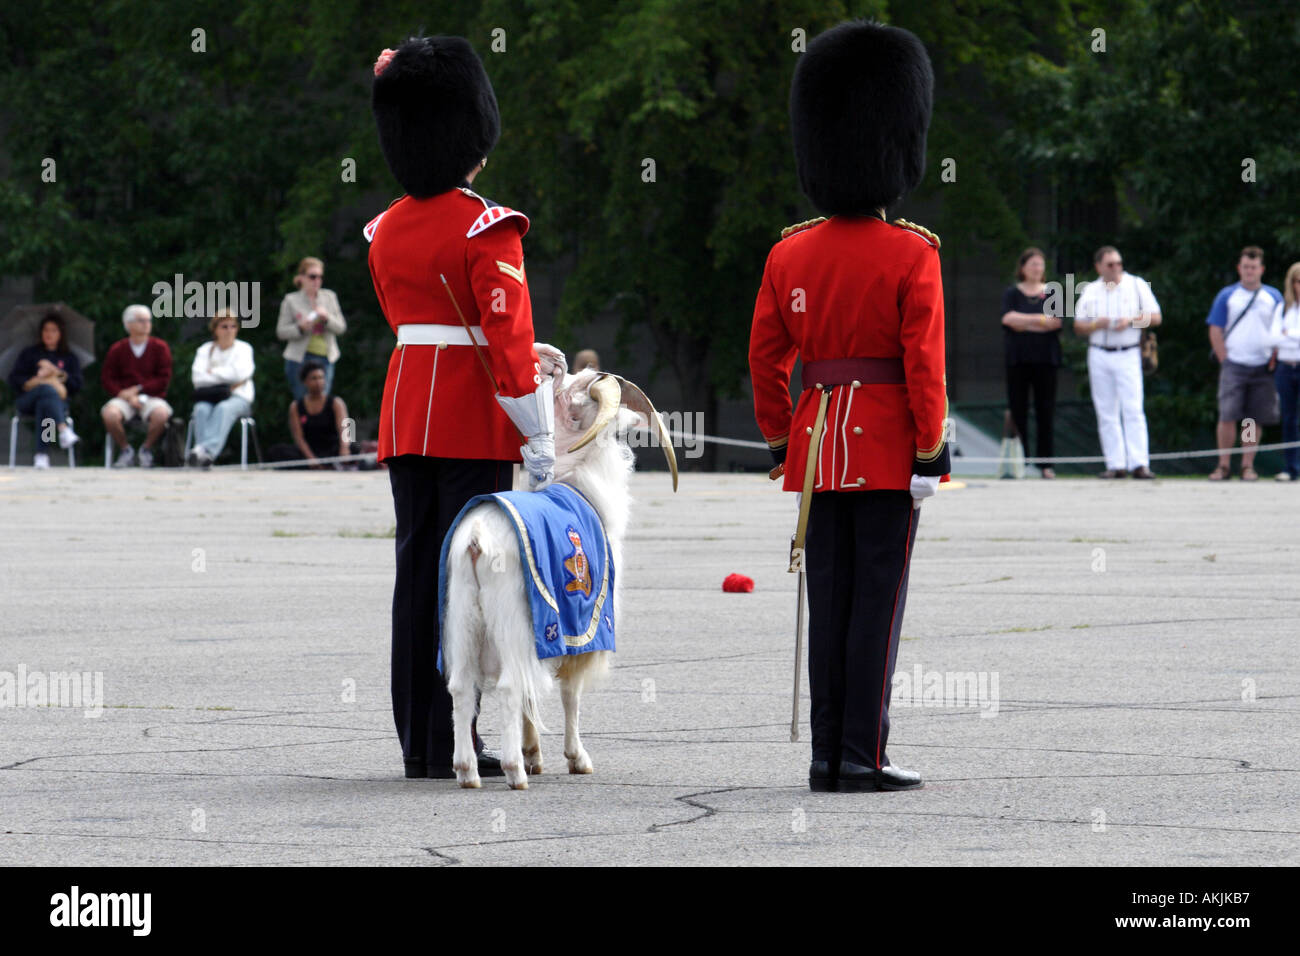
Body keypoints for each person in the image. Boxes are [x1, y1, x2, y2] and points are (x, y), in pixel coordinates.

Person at [749, 20, 949, 794]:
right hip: (888, 447)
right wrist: (929, 450)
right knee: (877, 609)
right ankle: (861, 754)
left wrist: (779, 440)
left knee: (828, 601)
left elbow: (768, 358)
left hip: (817, 449)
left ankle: (826, 755)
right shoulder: (913, 253)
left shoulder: (788, 252)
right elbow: (922, 363)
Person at [368, 36, 567, 781]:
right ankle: (456, 735)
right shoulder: (487, 225)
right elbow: (502, 338)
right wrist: (537, 433)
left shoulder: (386, 227)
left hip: (406, 407)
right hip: (469, 415)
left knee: (417, 570)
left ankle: (420, 738)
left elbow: (423, 318)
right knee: (468, 580)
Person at [1073, 246, 1162, 479]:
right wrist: (1097, 325)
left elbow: (1155, 317)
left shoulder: (1136, 285)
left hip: (1128, 351)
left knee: (1133, 408)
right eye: (1110, 264)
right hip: (1099, 352)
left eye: (1118, 264)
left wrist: (1131, 320)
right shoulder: (1091, 291)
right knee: (1106, 410)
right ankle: (1116, 463)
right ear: (1099, 267)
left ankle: (1139, 463)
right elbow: (1078, 326)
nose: (1115, 269)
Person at [1206, 246, 1283, 481]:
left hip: (1262, 365)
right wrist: (1225, 359)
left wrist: (1274, 356)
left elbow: (1279, 329)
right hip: (1234, 364)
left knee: (1252, 418)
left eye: (1254, 267)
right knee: (1227, 415)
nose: (1250, 271)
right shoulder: (1227, 295)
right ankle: (1224, 465)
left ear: (1262, 269)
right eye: (1246, 267)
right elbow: (1216, 329)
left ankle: (1247, 465)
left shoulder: (1273, 296)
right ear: (1240, 269)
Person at [1000, 247, 1061, 478]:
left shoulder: (1053, 292)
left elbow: (1056, 323)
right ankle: (1022, 461)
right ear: (1023, 267)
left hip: (1046, 359)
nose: (1037, 268)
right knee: (1019, 409)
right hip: (1018, 359)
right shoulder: (1011, 293)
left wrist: (1023, 322)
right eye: (1033, 264)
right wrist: (1039, 320)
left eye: (1040, 264)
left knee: (1046, 410)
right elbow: (1007, 319)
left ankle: (1046, 463)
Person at [7, 309, 81, 468]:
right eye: (46, 330)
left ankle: (41, 455)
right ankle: (63, 429)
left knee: (45, 403)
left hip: (54, 403)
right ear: (40, 332)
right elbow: (14, 379)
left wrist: (57, 373)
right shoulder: (30, 353)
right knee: (46, 391)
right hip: (27, 400)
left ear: (61, 333)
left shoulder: (69, 357)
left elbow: (76, 385)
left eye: (53, 330)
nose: (49, 334)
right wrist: (39, 379)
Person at [101, 304, 174, 468]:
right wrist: (124, 394)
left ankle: (146, 449)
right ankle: (126, 450)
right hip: (123, 397)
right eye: (141, 320)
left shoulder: (160, 347)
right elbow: (107, 378)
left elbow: (163, 379)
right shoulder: (117, 349)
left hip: (151, 397)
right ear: (128, 324)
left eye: (148, 320)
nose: (146, 324)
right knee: (110, 415)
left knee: (161, 414)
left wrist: (139, 389)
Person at [189, 310, 255, 468]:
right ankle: (204, 456)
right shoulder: (205, 350)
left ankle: (204, 451)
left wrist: (213, 373)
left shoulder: (244, 349)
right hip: (210, 397)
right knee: (201, 409)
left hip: (239, 397)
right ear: (215, 329)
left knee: (223, 409)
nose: (229, 330)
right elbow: (198, 378)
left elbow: (240, 374)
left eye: (233, 326)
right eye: (224, 326)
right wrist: (226, 375)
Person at [276, 257, 346, 400]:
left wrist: (326, 318)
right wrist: (300, 328)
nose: (317, 280)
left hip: (326, 358)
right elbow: (281, 332)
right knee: (302, 403)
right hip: (299, 358)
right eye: (312, 276)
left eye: (320, 277)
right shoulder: (291, 300)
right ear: (301, 277)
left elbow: (341, 328)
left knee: (322, 403)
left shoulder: (329, 297)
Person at [266, 361, 352, 468]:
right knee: (276, 451)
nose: (318, 382)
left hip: (332, 448)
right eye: (314, 378)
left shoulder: (336, 402)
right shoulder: (296, 406)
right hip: (309, 450)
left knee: (354, 447)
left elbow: (344, 430)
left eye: (321, 378)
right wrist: (311, 459)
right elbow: (298, 437)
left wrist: (344, 449)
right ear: (305, 382)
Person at [1270, 261, 1300, 481]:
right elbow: (1272, 337)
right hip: (1284, 367)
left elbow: (1282, 335)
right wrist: (1290, 334)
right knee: (1288, 419)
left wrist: (1287, 333)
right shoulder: (1282, 308)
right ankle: (1291, 467)